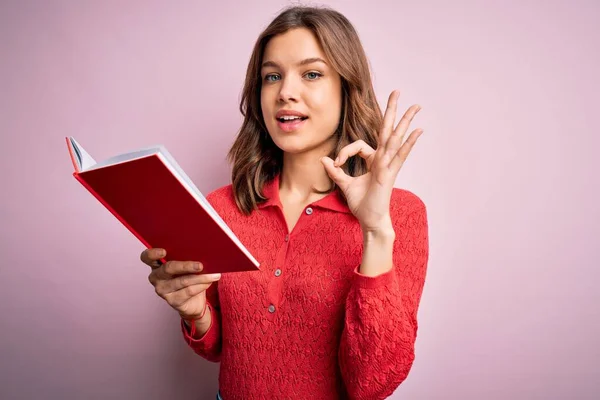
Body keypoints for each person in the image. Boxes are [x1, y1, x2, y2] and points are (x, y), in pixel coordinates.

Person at [140, 5, 429, 400]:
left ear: (347, 87)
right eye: (272, 76)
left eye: (311, 74)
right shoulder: (221, 207)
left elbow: (373, 383)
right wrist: (196, 314)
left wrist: (375, 229)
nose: (285, 92)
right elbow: (221, 347)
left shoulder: (401, 214)